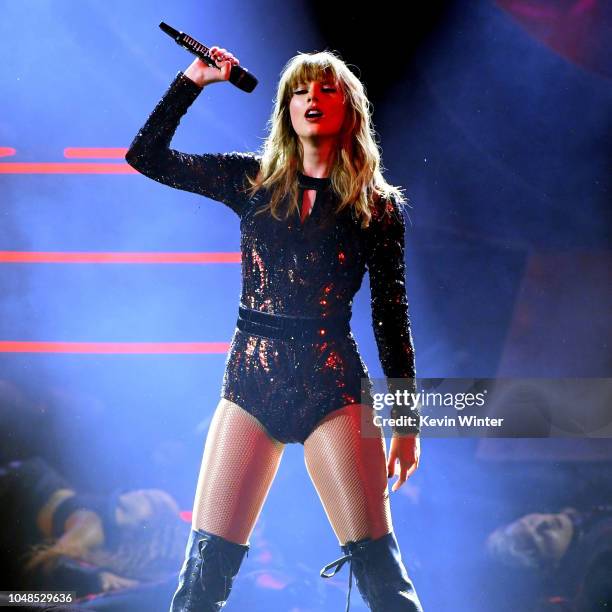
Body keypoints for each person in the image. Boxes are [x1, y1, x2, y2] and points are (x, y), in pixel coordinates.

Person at [125, 45, 424, 612]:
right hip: (250, 386)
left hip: (330, 387)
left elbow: (391, 317)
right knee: (200, 583)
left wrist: (406, 425)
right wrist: (194, 79)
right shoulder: (251, 181)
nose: (312, 97)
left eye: (327, 89)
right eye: (300, 90)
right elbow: (146, 156)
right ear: (287, 109)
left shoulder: (375, 207)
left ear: (350, 110)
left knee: (384, 583)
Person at [0, 457, 189, 598]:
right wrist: (97, 578)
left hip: (22, 492)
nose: (141, 493)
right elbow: (51, 563)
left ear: (145, 524)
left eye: (151, 501)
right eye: (147, 492)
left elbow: (50, 566)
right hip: (21, 491)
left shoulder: (100, 526)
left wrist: (97, 578)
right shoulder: (97, 524)